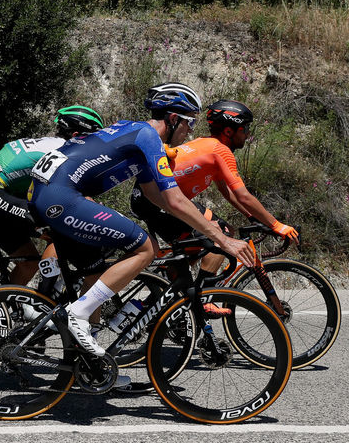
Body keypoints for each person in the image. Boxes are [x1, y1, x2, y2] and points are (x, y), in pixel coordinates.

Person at [28, 83, 254, 356]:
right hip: (61, 197)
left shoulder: (134, 131)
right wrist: (222, 238)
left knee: (95, 275)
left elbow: (154, 195)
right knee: (146, 248)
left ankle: (90, 364)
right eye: (189, 123)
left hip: (46, 193)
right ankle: (77, 312)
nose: (190, 131)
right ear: (173, 119)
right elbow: (175, 200)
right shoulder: (148, 137)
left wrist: (200, 228)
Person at [130, 99, 299, 300]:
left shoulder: (208, 145)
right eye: (244, 129)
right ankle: (199, 295)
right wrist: (277, 225)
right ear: (229, 131)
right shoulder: (220, 151)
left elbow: (226, 190)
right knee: (221, 235)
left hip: (154, 198)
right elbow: (244, 195)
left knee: (220, 230)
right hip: (154, 202)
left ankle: (177, 278)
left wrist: (251, 216)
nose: (247, 134)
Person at [0, 106, 105, 286]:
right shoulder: (62, 152)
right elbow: (68, 194)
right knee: (61, 229)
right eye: (91, 137)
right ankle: (44, 296)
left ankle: (5, 307)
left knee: (28, 264)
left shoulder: (50, 143)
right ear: (76, 134)